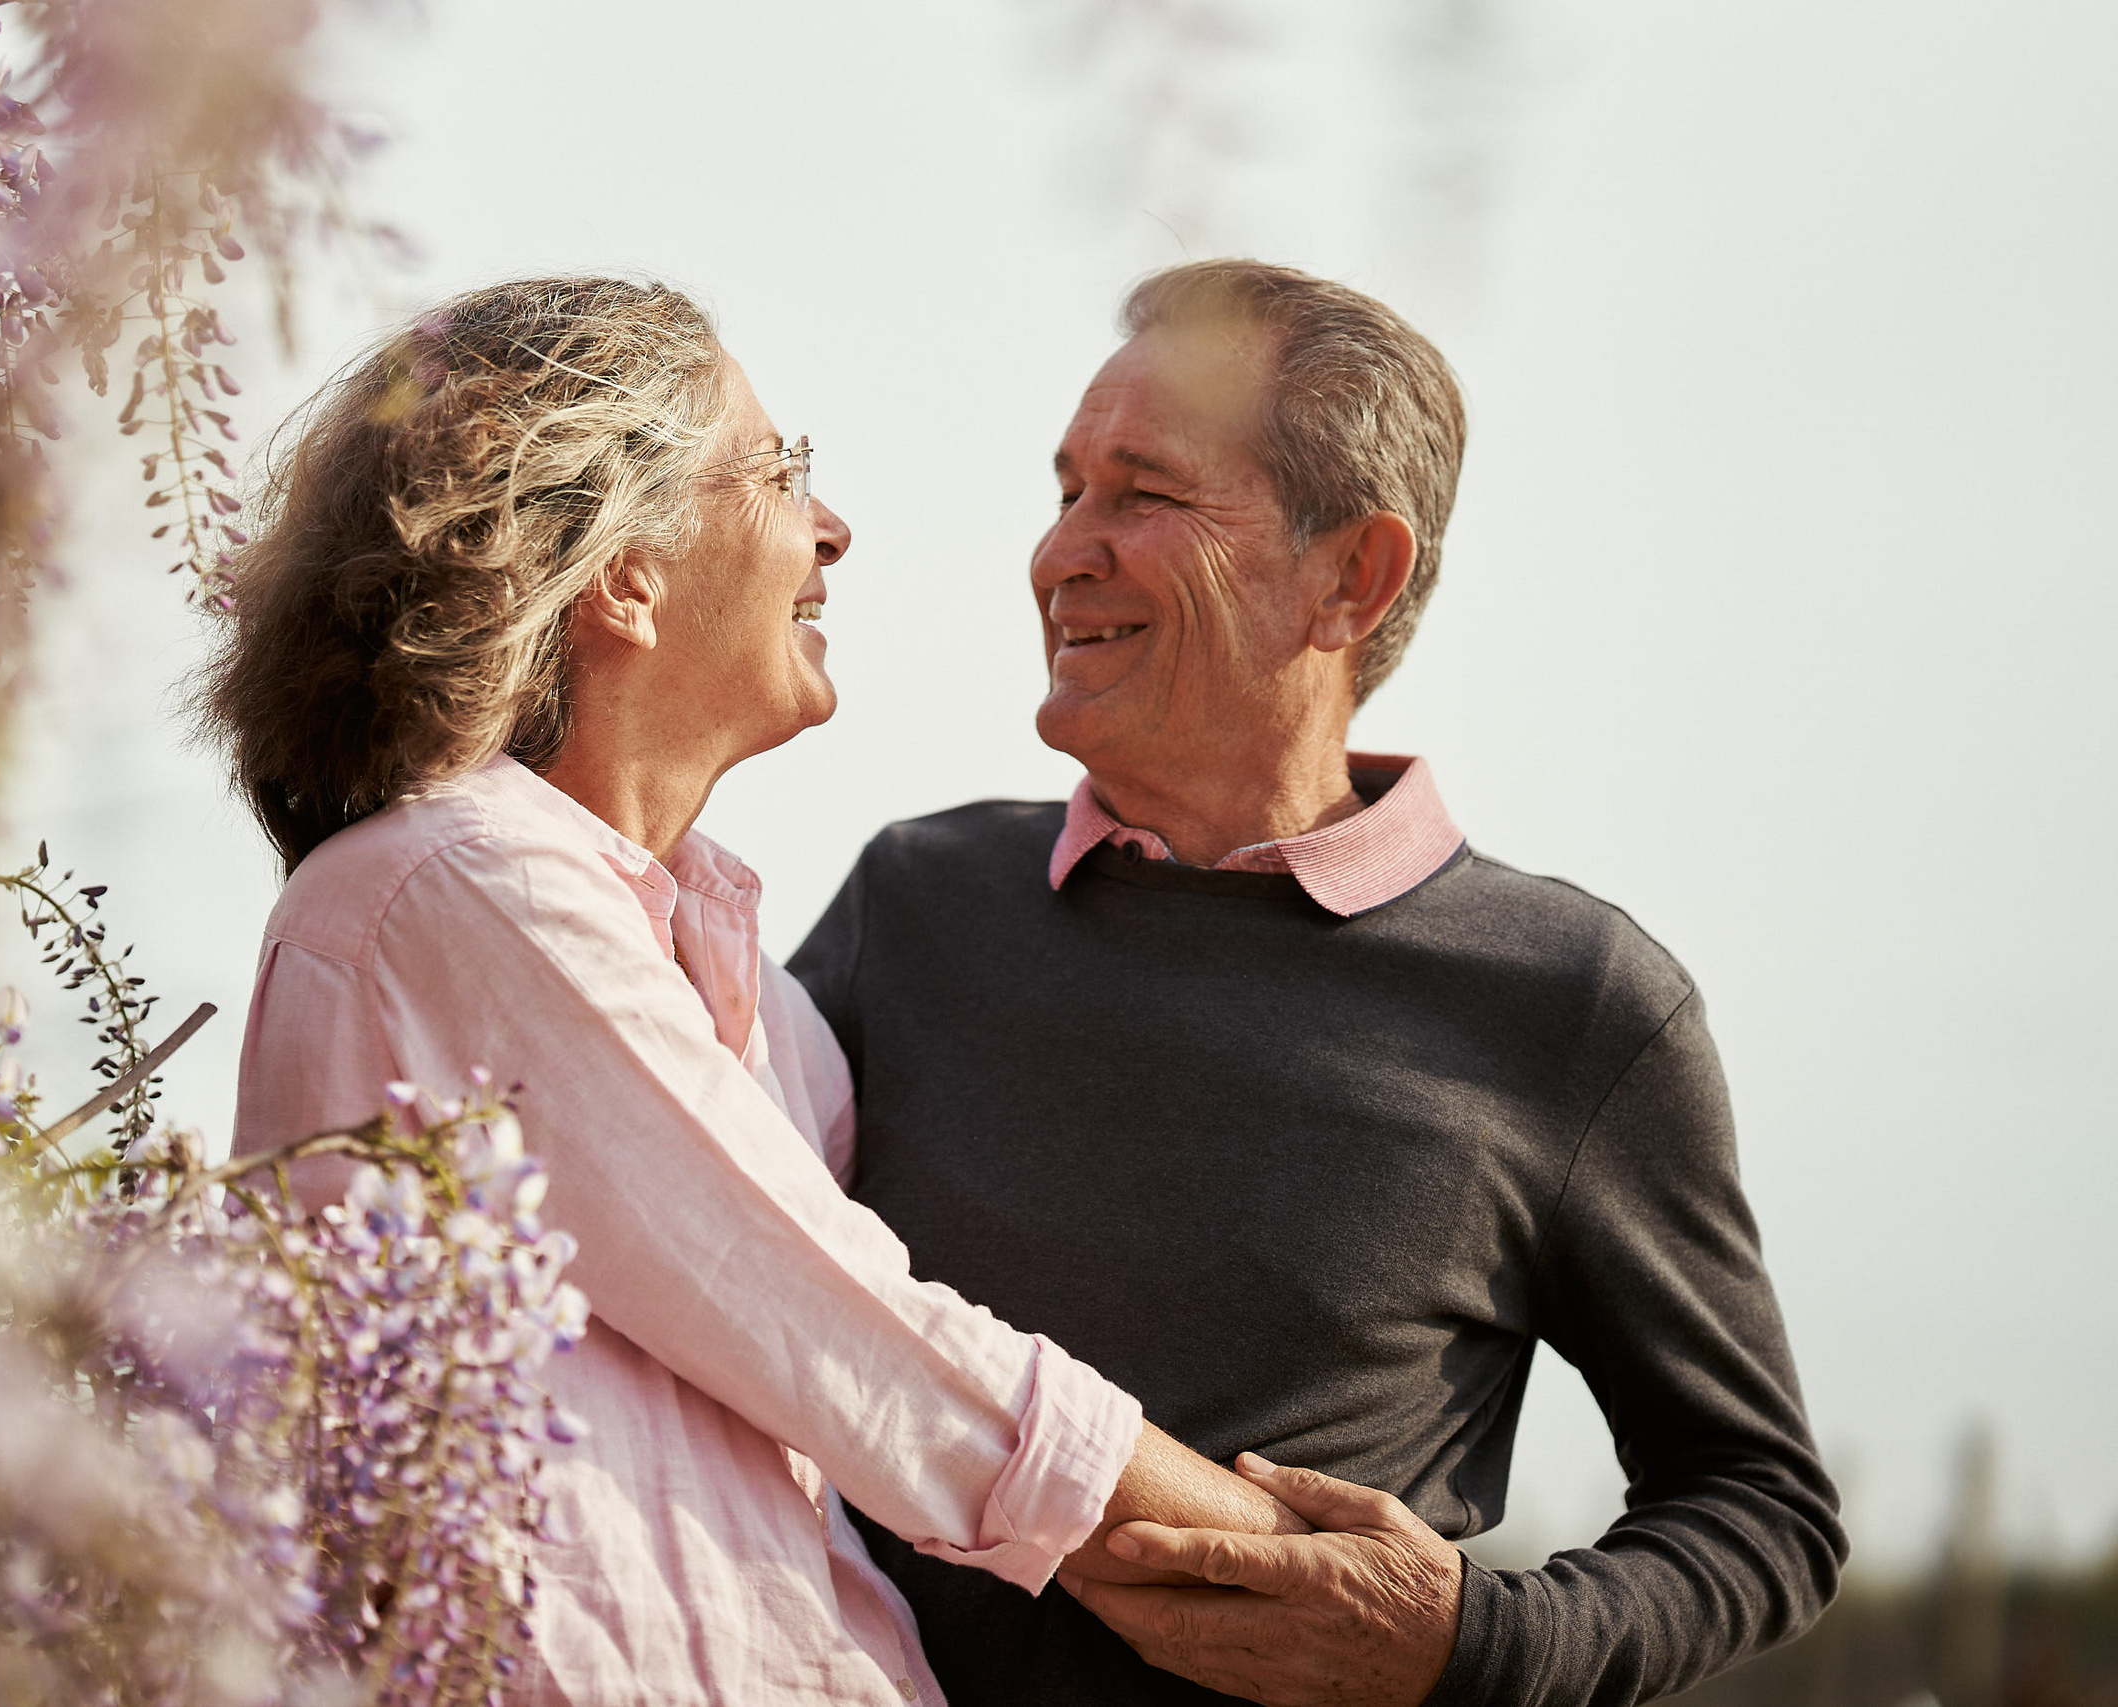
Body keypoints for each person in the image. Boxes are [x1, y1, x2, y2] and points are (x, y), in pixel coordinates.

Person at [201, 277, 1302, 1706]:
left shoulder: (750, 990)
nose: (830, 528)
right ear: (625, 576)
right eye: (783, 473)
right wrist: (1306, 1573)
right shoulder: (453, 883)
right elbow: (868, 1341)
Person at [788, 259, 1848, 1707]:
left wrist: (1469, 1643)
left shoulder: (1577, 1003)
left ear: (1353, 575)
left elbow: (1762, 1509)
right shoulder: (913, 903)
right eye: (1067, 489)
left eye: (1144, 495)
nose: (1060, 553)